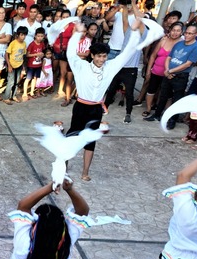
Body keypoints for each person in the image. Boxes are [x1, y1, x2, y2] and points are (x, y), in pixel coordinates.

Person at [66, 18, 141, 181]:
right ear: (92, 55)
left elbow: (128, 51)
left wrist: (135, 32)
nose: (101, 60)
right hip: (80, 106)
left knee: (90, 140)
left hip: (95, 109)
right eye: (99, 56)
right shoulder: (81, 66)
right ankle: (62, 169)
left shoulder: (111, 66)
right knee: (72, 137)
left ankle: (85, 172)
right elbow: (70, 53)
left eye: (104, 56)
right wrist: (77, 33)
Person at [144, 24, 197, 129]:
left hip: (181, 76)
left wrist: (171, 71)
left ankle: (172, 120)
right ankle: (157, 115)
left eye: (190, 33)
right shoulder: (179, 44)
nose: (187, 35)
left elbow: (188, 64)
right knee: (163, 96)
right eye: (186, 33)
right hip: (168, 73)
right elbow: (169, 57)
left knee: (176, 99)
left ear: (196, 34)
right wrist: (167, 70)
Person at [104, 1, 146, 124]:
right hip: (119, 66)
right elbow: (125, 19)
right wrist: (123, 6)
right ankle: (104, 107)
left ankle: (128, 113)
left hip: (131, 69)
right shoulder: (127, 31)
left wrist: (133, 3)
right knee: (111, 88)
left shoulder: (143, 36)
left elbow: (139, 17)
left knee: (129, 92)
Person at [141, 22, 184, 118]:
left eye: (178, 31)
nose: (175, 33)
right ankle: (148, 108)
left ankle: (166, 112)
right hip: (156, 70)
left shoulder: (182, 43)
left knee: (167, 93)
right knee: (151, 89)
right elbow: (153, 56)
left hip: (170, 73)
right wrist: (148, 70)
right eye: (173, 30)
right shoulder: (163, 40)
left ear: (181, 32)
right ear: (170, 30)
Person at [53, 10, 75, 107]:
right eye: (64, 17)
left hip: (69, 51)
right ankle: (60, 90)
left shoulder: (73, 26)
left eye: (67, 17)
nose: (65, 18)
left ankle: (68, 94)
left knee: (69, 75)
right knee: (62, 72)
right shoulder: (58, 26)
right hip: (60, 51)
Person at [2, 27, 27, 105]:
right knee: (11, 82)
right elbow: (7, 54)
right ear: (18, 35)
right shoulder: (13, 43)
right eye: (22, 35)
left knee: (17, 81)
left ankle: (13, 95)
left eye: (25, 35)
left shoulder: (24, 44)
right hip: (12, 65)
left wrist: (23, 66)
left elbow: (23, 55)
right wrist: (9, 65)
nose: (23, 37)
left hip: (19, 65)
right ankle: (6, 97)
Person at [23, 27, 45, 101]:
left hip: (38, 64)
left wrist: (41, 55)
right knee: (28, 78)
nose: (40, 38)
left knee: (35, 78)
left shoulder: (42, 44)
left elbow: (42, 52)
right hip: (31, 65)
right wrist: (36, 54)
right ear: (35, 36)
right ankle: (25, 93)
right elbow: (27, 55)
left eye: (41, 36)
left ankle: (32, 92)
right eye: (38, 36)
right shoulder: (32, 44)